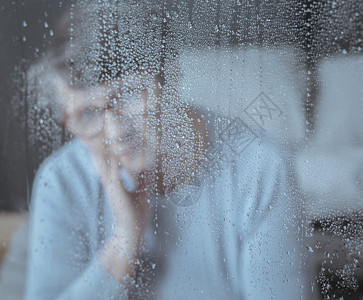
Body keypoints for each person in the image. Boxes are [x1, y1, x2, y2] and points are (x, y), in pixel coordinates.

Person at [24, 1, 303, 299]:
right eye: (88, 114)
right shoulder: (61, 180)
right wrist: (124, 243)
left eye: (130, 93)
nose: (117, 133)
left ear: (170, 76)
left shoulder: (259, 169)